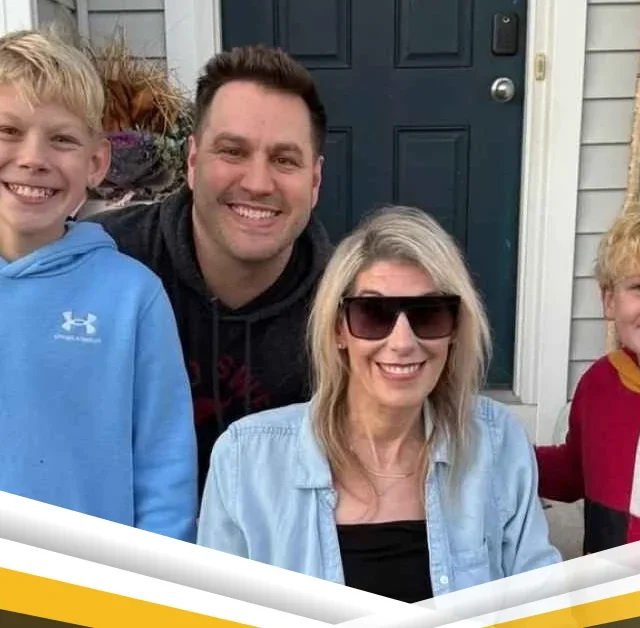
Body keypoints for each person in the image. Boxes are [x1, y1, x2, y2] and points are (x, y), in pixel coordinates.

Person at [197, 206, 560, 602]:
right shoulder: (247, 461)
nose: (403, 343)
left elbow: (541, 601)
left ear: (455, 328)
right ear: (338, 329)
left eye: (429, 315)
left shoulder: (496, 442)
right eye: (373, 314)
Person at [89, 46, 332, 497]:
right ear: (193, 161)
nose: (258, 184)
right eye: (233, 151)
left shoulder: (352, 313)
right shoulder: (101, 261)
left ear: (314, 181)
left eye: (285, 160)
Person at [0, 29, 197, 542]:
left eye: (62, 139)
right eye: (8, 130)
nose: (33, 157)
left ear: (96, 162)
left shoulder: (132, 298)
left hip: (87, 583)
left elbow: (164, 472)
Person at [536, 211, 640, 554]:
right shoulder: (600, 384)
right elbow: (575, 472)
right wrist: (501, 455)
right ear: (609, 301)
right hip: (607, 585)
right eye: (638, 287)